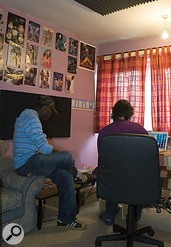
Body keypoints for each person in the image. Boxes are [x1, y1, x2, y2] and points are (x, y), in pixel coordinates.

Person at [13, 95, 87, 230]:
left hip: (33, 160)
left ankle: (65, 219)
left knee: (65, 177)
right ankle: (76, 173)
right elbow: (45, 148)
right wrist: (62, 155)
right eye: (51, 112)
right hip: (26, 164)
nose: (50, 115)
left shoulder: (29, 117)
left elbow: (41, 148)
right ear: (46, 108)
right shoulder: (31, 117)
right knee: (66, 156)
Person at [97, 99, 148, 226]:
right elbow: (147, 157)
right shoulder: (140, 129)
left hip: (112, 179)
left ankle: (109, 214)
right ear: (130, 113)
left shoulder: (104, 131)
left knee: (113, 174)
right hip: (135, 179)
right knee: (139, 175)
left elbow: (103, 158)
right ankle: (135, 215)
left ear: (114, 113)